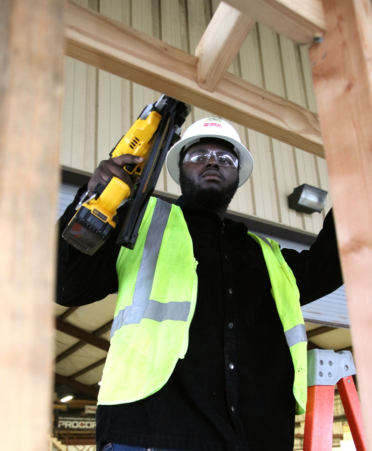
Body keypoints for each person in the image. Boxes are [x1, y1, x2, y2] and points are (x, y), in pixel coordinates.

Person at [57, 117, 343, 451]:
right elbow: (68, 285)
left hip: (254, 438)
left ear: (237, 176)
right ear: (180, 171)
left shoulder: (267, 256)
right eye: (199, 155)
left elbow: (331, 263)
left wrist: (357, 195)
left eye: (225, 159)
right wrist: (93, 200)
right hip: (152, 432)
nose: (212, 161)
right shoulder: (140, 223)